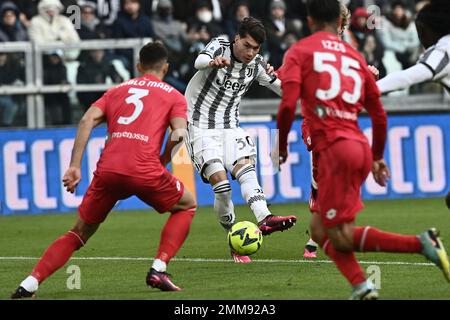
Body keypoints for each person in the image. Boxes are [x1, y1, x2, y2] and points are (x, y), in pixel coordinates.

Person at [275, 0, 450, 299]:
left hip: (335, 149)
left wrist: (280, 147)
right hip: (359, 147)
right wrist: (378, 156)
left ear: (310, 20)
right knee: (319, 229)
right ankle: (361, 284)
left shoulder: (301, 50)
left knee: (339, 234)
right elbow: (379, 114)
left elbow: (289, 103)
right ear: (339, 21)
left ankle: (421, 244)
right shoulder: (354, 57)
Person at [11, 42, 197, 298]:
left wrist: (75, 166)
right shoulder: (174, 95)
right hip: (144, 169)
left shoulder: (116, 90)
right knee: (187, 204)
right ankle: (159, 267)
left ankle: (29, 283)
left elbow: (87, 119)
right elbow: (179, 133)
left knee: (78, 233)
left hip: (108, 170)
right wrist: (163, 160)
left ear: (138, 66)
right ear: (165, 67)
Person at [185, 16, 297, 264]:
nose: (250, 52)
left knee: (245, 170)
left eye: (255, 48)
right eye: (246, 45)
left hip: (230, 126)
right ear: (237, 38)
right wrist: (211, 62)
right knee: (222, 188)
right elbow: (198, 61)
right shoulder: (220, 45)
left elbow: (284, 89)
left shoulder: (257, 64)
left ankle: (265, 217)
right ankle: (234, 236)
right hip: (199, 126)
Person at [377, 0, 450, 94]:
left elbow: (406, 78)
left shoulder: (444, 50)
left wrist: (368, 89)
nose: (421, 39)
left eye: (421, 33)